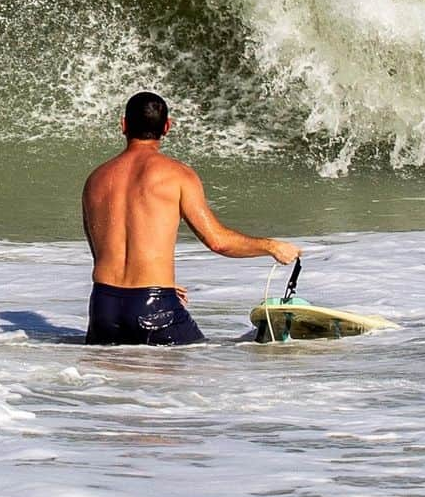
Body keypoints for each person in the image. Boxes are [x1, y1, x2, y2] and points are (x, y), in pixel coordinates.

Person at [81, 91, 302, 346]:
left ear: (123, 125)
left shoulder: (96, 179)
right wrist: (272, 247)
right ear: (167, 127)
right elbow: (218, 241)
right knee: (214, 361)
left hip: (103, 308)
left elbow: (101, 249)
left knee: (116, 382)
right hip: (155, 307)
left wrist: (146, 282)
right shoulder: (178, 176)